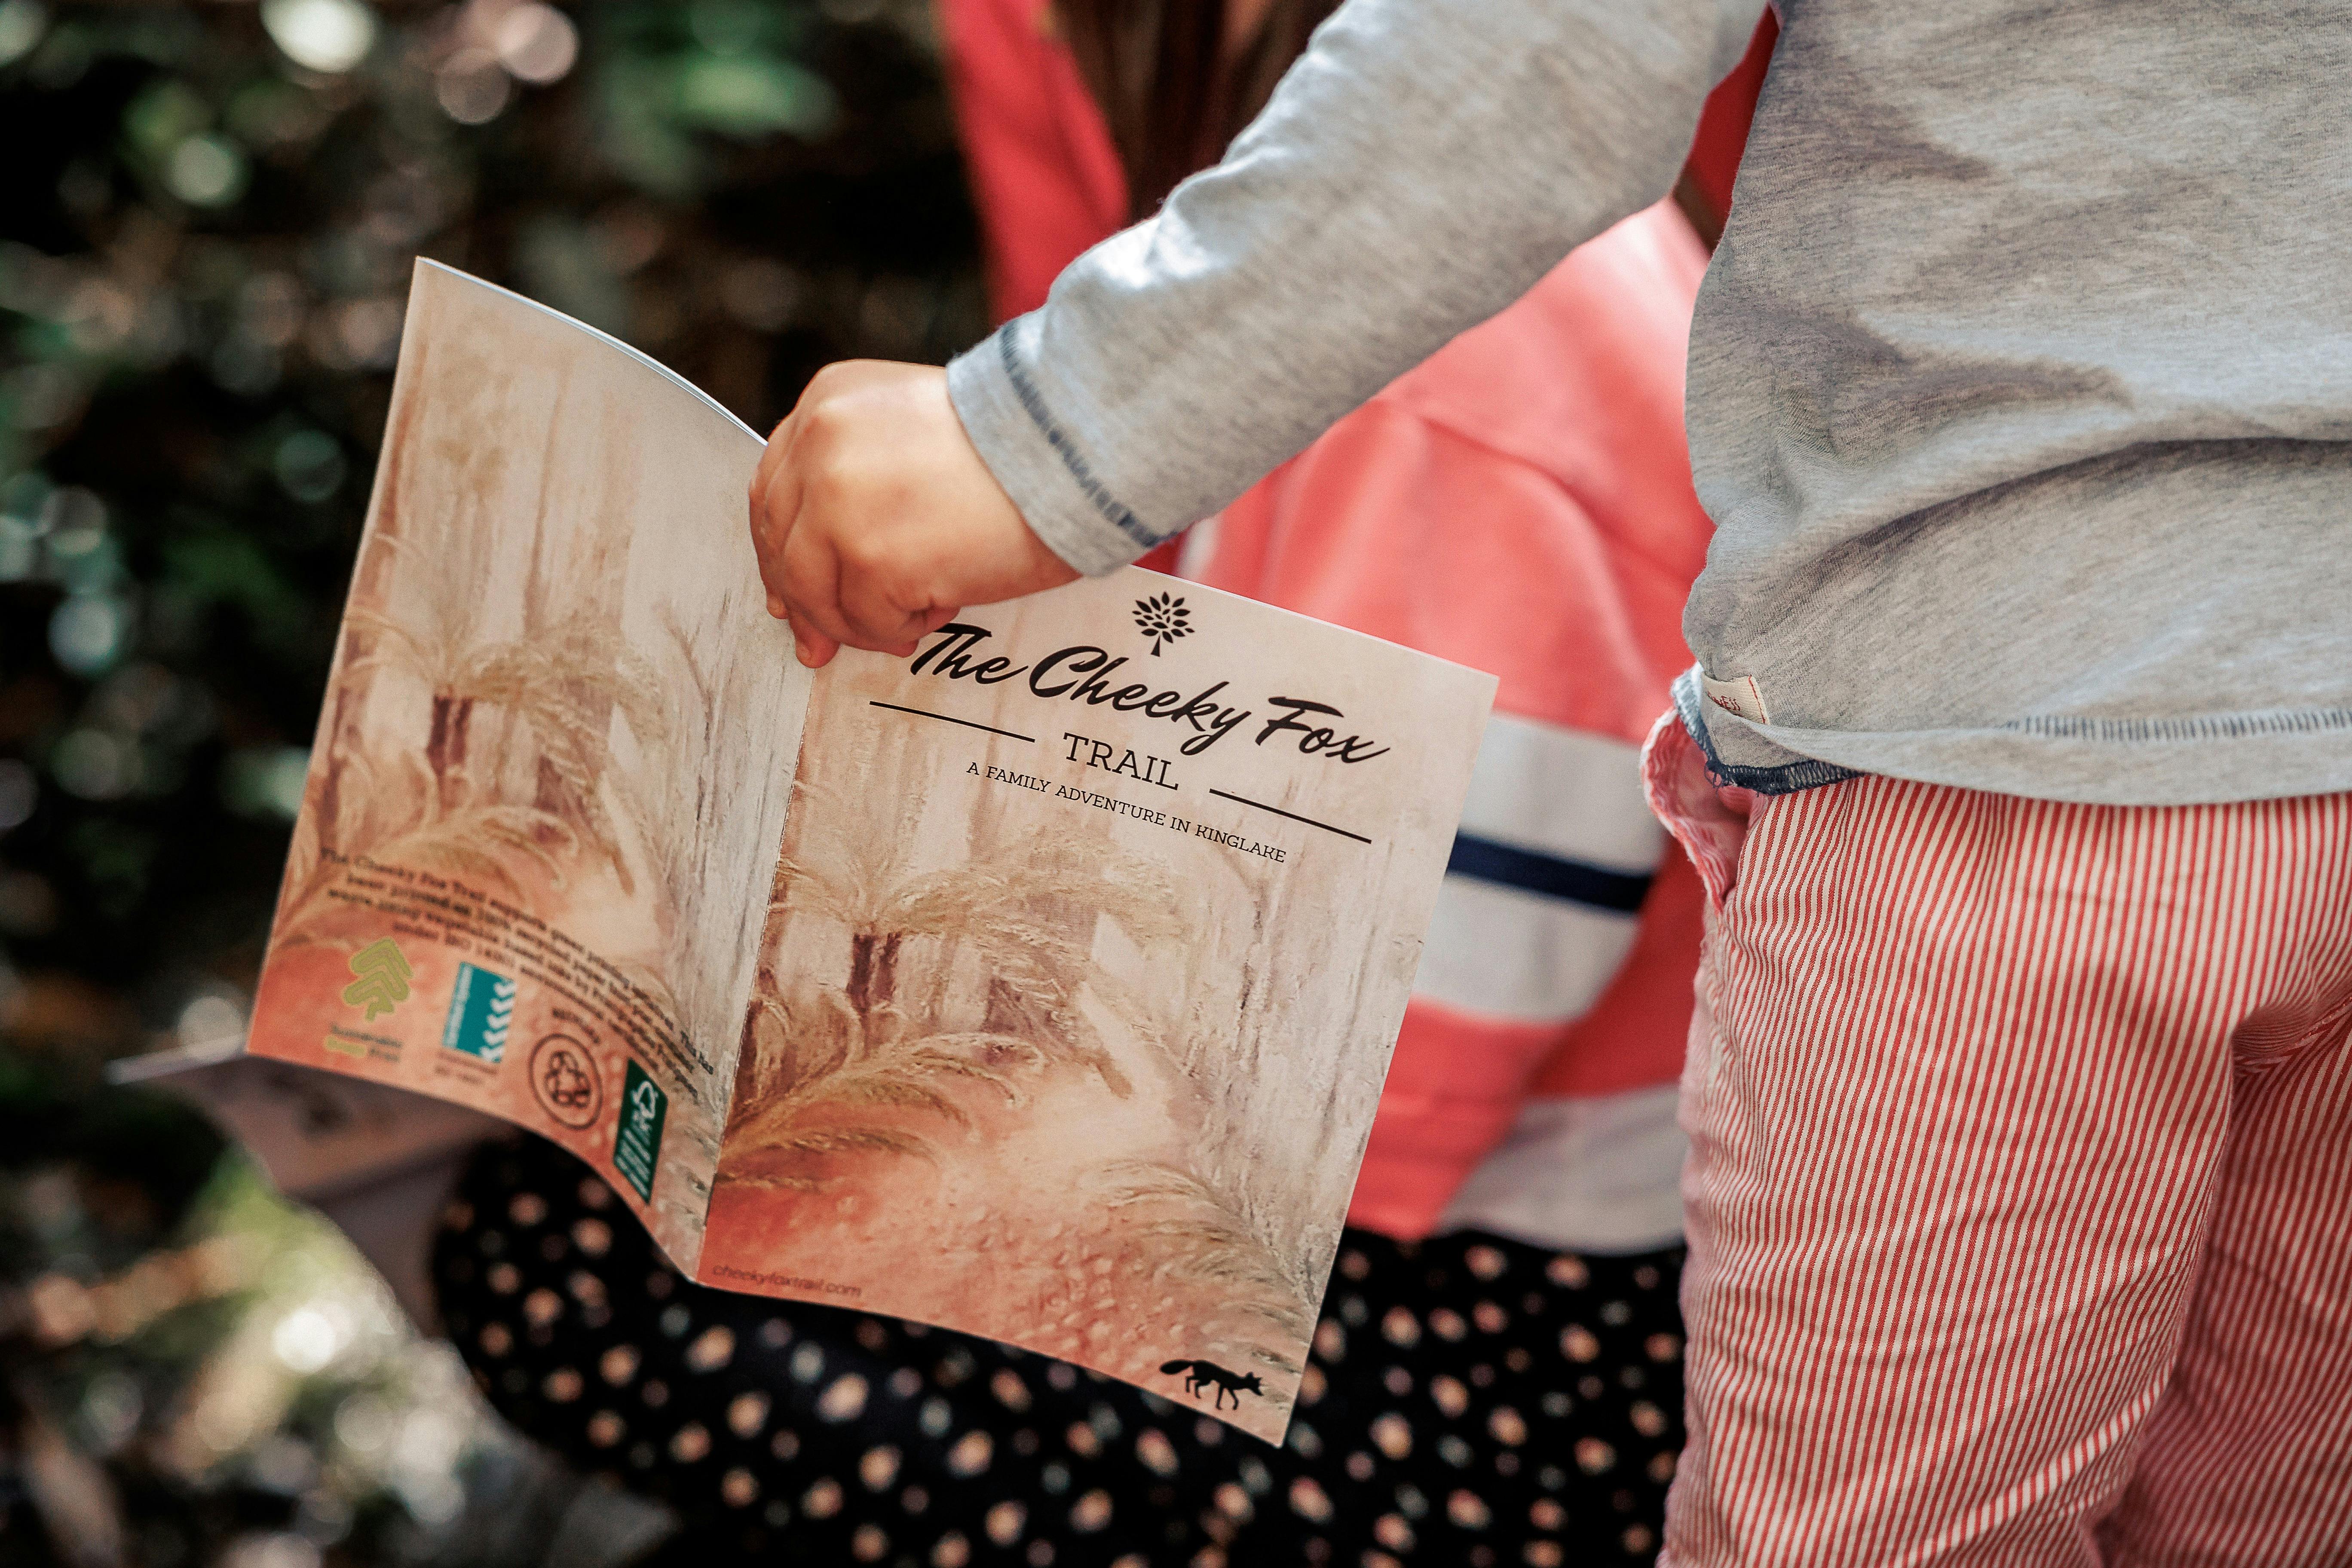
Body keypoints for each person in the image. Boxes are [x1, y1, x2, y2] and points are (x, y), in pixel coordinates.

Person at [746, 1, 2352, 1564]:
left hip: (1993, 774)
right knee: (2255, 1519)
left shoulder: (1460, 393)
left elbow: (1556, 37)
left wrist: (1035, 444)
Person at [439, 3, 1774, 1561]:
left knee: (554, 1264)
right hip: (1424, 1250)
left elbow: (1358, 1115)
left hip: (1476, 1345)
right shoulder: (1397, 300)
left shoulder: (1451, 381)